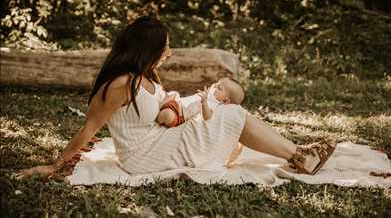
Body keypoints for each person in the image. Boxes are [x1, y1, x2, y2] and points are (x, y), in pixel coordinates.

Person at [17, 16, 336, 179]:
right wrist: (55, 165)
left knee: (225, 111)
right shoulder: (119, 85)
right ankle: (300, 157)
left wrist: (192, 108)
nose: (169, 52)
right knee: (232, 116)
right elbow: (89, 129)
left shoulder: (147, 74)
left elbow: (163, 109)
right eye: (164, 48)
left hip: (161, 138)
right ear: (147, 50)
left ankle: (297, 154)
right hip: (143, 156)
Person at [156, 78, 245, 128]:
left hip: (179, 116)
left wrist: (204, 103)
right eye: (216, 83)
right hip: (178, 103)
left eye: (219, 87)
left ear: (226, 101)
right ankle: (160, 105)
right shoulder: (210, 95)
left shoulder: (215, 106)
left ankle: (158, 114)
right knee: (173, 93)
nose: (214, 85)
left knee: (166, 115)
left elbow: (208, 117)